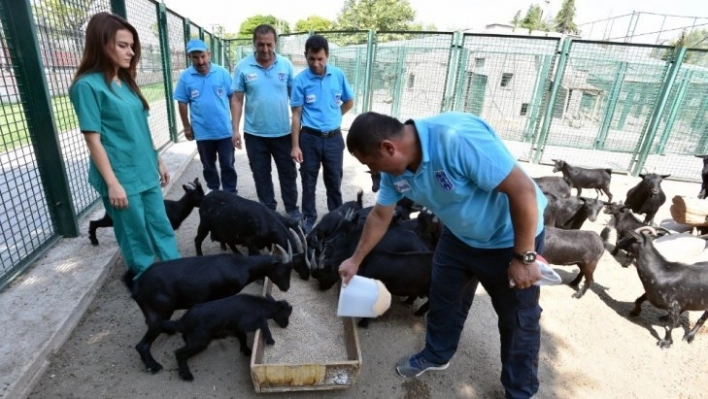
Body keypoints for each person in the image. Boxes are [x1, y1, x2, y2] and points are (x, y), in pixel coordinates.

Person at [338, 111, 548, 399]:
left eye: (370, 163)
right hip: (459, 236)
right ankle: (437, 354)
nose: (373, 171)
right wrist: (355, 260)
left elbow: (522, 190)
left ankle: (520, 390)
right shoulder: (393, 172)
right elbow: (379, 215)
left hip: (508, 237)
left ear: (389, 147)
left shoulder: (456, 139)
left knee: (517, 318)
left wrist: (524, 257)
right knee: (444, 296)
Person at [69, 12, 180, 278]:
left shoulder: (126, 81)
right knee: (135, 237)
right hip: (120, 176)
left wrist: (158, 159)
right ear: (101, 44)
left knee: (161, 226)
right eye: (123, 45)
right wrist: (112, 183)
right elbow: (92, 140)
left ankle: (179, 279)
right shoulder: (87, 86)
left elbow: (140, 128)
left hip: (145, 171)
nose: (131, 52)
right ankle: (149, 292)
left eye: (132, 46)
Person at [231, 24, 300, 220]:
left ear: (275, 43)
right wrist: (234, 129)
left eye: (269, 44)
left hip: (283, 133)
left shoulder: (286, 65)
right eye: (261, 45)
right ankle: (269, 211)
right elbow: (237, 99)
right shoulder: (243, 66)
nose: (265, 49)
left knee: (288, 173)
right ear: (254, 43)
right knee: (261, 175)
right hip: (255, 134)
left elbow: (295, 101)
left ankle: (292, 209)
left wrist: (298, 133)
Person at [290, 34, 354, 234]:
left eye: (320, 59)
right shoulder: (300, 81)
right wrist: (295, 145)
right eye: (311, 58)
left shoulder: (338, 75)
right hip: (309, 139)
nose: (316, 63)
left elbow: (349, 101)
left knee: (334, 179)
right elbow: (296, 115)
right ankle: (309, 218)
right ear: (305, 56)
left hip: (334, 139)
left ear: (327, 56)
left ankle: (337, 216)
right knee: (308, 180)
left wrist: (335, 117)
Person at [174, 38, 239, 193]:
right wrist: (186, 127)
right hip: (202, 132)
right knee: (208, 165)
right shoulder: (185, 77)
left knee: (228, 164)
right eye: (195, 57)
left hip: (224, 130)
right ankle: (213, 190)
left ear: (209, 54)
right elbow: (182, 102)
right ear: (190, 57)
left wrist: (235, 126)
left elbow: (233, 98)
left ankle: (230, 192)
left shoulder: (222, 73)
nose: (200, 61)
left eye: (203, 56)